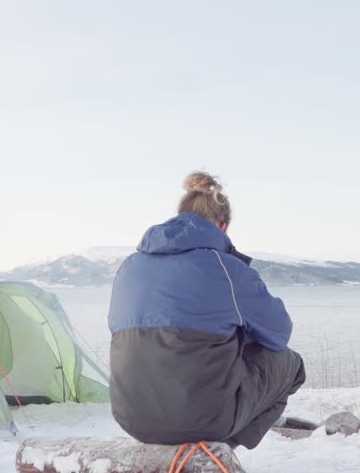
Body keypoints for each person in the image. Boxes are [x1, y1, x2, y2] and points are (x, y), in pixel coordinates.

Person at [108, 172, 306, 449]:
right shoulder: (225, 268)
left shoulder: (128, 268)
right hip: (205, 420)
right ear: (222, 227)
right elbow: (279, 334)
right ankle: (222, 451)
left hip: (131, 419)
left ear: (179, 216)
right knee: (293, 366)